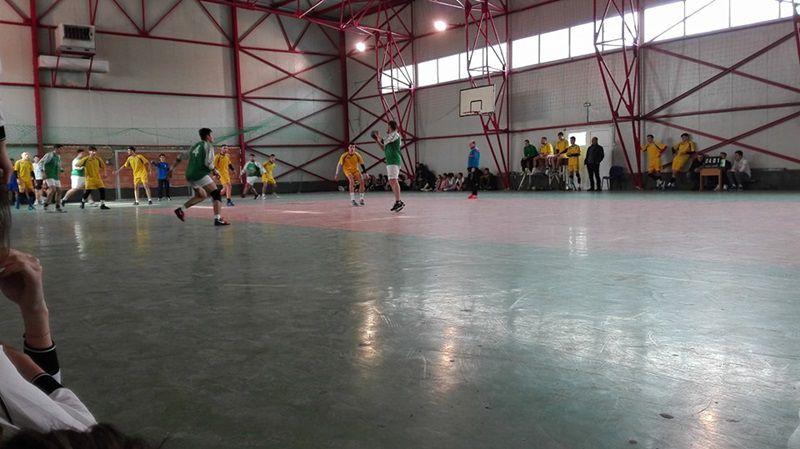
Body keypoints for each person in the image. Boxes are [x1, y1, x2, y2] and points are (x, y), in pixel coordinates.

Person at [174, 128, 230, 226]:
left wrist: (171, 169)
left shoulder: (195, 146)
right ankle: (217, 219)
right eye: (211, 135)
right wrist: (215, 171)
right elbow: (208, 163)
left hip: (189, 175)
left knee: (201, 196)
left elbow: (180, 157)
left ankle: (180, 210)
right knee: (216, 194)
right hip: (199, 174)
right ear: (208, 136)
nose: (213, 137)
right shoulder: (208, 146)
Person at [372, 120, 405, 212]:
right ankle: (398, 201)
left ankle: (398, 201)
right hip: (390, 161)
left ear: (390, 126)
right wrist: (376, 140)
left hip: (394, 159)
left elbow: (383, 141)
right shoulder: (390, 136)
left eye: (388, 126)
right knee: (391, 181)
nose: (387, 128)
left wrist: (377, 136)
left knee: (394, 180)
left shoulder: (395, 135)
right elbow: (384, 148)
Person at [38, 146, 65, 213]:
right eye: (60, 149)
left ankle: (57, 207)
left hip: (55, 176)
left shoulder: (58, 157)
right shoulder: (49, 155)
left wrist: (61, 170)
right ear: (56, 149)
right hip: (49, 175)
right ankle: (46, 205)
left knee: (59, 191)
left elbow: (58, 165)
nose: (61, 151)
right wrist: (43, 172)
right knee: (53, 189)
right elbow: (40, 163)